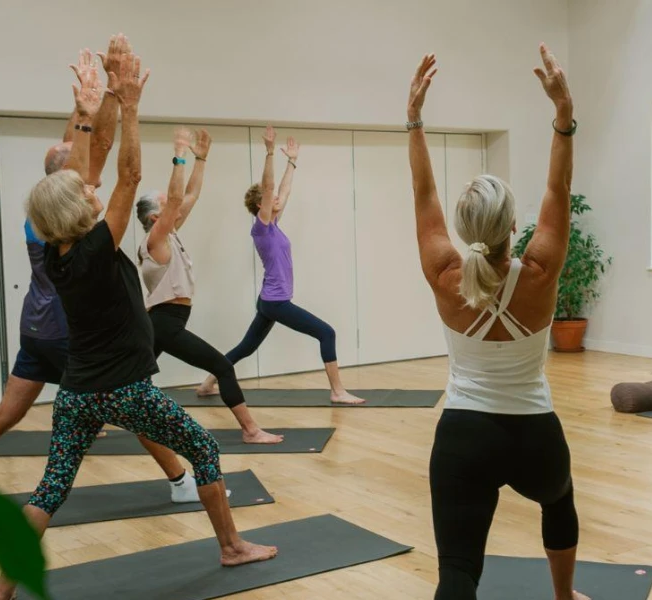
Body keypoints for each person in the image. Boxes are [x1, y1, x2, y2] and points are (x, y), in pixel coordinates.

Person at [0, 45, 276, 600]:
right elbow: (129, 175)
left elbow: (75, 177)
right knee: (205, 450)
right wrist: (131, 105)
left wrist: (89, 112)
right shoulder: (99, 245)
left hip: (77, 392)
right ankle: (232, 545)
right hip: (124, 388)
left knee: (49, 490)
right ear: (75, 211)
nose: (89, 187)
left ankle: (0, 591)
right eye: (82, 192)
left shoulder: (52, 250)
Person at [0, 37, 203, 515]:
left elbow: (83, 151)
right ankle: (181, 479)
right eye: (83, 177)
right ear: (73, 185)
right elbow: (97, 154)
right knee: (135, 404)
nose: (88, 177)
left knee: (6, 413)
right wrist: (116, 99)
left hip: (34, 328)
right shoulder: (77, 227)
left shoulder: (41, 217)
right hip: (68, 334)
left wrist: (88, 106)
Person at [406, 46, 589, 600]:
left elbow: (423, 195)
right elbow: (558, 190)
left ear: (465, 230)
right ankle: (564, 597)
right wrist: (562, 115)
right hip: (535, 434)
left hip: (463, 436)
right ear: (514, 226)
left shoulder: (445, 274)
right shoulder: (539, 273)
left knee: (457, 572)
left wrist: (414, 120)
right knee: (559, 501)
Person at [196, 126, 364, 405]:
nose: (277, 199)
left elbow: (283, 190)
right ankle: (337, 391)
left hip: (268, 300)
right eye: (270, 198)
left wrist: (292, 162)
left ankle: (207, 383)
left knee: (247, 347)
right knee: (326, 333)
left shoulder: (273, 224)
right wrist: (270, 152)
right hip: (276, 301)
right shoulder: (261, 228)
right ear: (261, 205)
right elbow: (271, 188)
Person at [136, 127, 283, 444]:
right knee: (223, 367)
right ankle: (250, 430)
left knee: (131, 378)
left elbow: (189, 196)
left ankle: (90, 423)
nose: (174, 207)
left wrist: (201, 159)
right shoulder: (155, 239)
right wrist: (179, 156)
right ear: (154, 218)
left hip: (164, 321)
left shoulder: (169, 234)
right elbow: (178, 198)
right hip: (165, 323)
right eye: (166, 205)